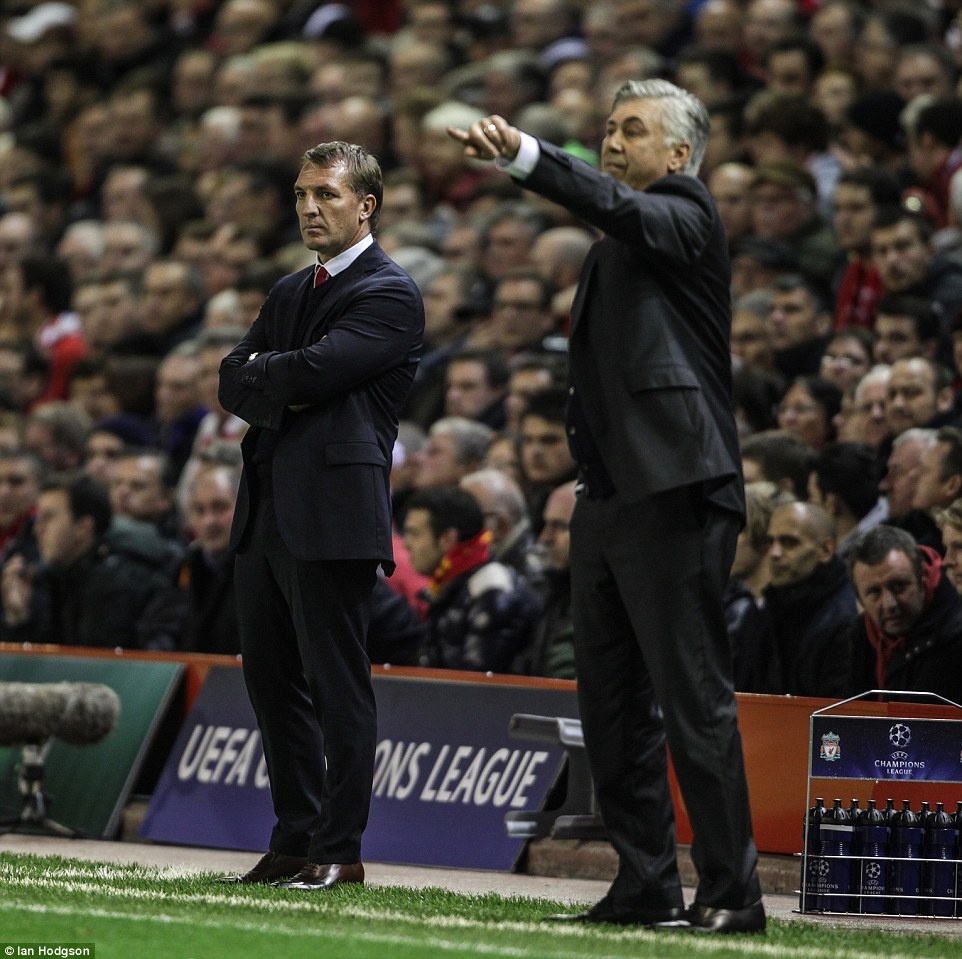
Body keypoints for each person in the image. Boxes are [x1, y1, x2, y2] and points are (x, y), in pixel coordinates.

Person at [448, 79, 765, 933]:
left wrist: (527, 155)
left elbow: (619, 207)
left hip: (675, 487)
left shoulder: (688, 212)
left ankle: (732, 891)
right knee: (612, 707)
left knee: (692, 698)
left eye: (632, 129)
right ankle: (646, 883)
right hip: (609, 497)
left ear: (679, 153)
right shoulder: (622, 240)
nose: (613, 141)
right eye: (608, 128)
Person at [217, 142, 424, 891]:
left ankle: (341, 848)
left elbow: (311, 371)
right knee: (273, 684)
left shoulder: (389, 292)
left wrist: (271, 377)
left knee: (337, 685)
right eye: (303, 194)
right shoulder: (288, 289)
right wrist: (281, 381)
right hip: (267, 508)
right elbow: (231, 380)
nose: (309, 207)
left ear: (365, 206)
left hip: (334, 514)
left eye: (326, 195)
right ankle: (294, 839)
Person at [402, 485, 542, 673]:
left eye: (414, 534)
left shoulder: (491, 589)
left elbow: (478, 683)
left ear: (447, 539)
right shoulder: (453, 586)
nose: (406, 544)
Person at [846, 525, 962, 698]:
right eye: (874, 592)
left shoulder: (955, 635)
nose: (889, 604)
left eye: (899, 586)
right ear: (860, 599)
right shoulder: (861, 635)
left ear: (922, 577)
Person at [762, 501, 858, 696]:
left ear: (825, 550)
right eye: (770, 541)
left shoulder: (844, 619)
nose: (774, 553)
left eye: (789, 542)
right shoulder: (775, 605)